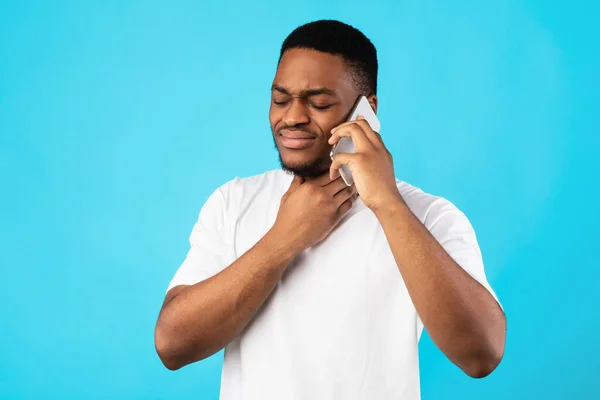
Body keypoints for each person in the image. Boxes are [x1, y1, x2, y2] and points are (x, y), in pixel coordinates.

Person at [154, 19, 506, 400]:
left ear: (366, 110)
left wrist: (387, 204)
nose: (291, 117)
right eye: (280, 99)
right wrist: (283, 240)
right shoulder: (233, 202)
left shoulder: (428, 216)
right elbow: (173, 345)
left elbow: (481, 354)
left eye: (319, 103)